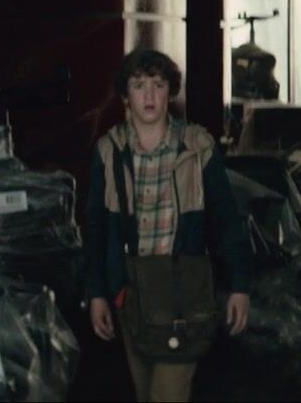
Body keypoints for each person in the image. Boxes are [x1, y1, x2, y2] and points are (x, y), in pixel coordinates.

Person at [83, 49, 253, 402]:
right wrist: (96, 292)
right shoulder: (108, 151)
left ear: (170, 92)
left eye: (158, 85)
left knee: (167, 394)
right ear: (125, 96)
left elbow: (225, 219)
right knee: (145, 393)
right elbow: (96, 228)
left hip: (183, 296)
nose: (149, 95)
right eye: (139, 85)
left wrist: (239, 284)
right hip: (131, 295)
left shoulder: (197, 147)